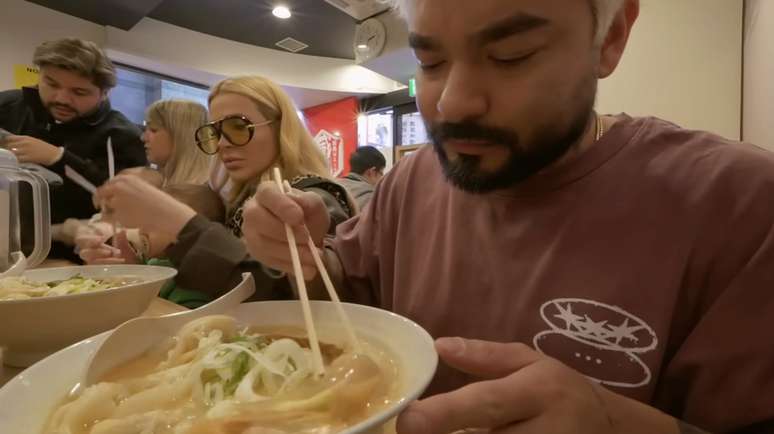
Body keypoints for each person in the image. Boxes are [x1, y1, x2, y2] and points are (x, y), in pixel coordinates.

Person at [240, 1, 774, 433]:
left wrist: (620, 423)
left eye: (512, 54)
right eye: (429, 63)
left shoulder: (739, 202)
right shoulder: (414, 179)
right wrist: (295, 251)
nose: (453, 103)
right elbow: (344, 295)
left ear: (609, 38)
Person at [84, 75, 356, 301]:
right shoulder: (235, 200)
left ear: (281, 127)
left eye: (238, 127)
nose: (223, 143)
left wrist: (179, 221)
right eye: (214, 132)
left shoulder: (315, 197)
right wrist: (136, 269)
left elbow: (277, 295)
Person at [0, 38, 146, 260]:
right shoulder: (7, 107)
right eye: (52, 84)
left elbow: (126, 203)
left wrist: (58, 158)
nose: (62, 99)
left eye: (79, 92)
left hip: (72, 260)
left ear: (104, 92)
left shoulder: (122, 135)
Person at [142, 99, 212, 186]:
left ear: (180, 136)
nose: (143, 138)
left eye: (153, 130)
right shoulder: (158, 184)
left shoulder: (202, 193)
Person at [338, 145, 386, 209]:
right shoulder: (371, 196)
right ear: (372, 171)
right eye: (381, 173)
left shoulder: (335, 185)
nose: (382, 178)